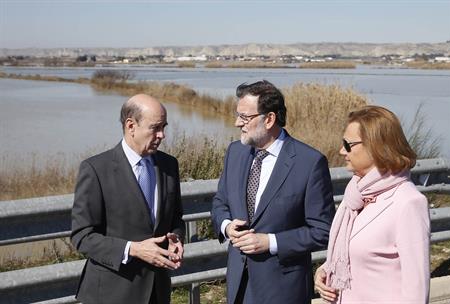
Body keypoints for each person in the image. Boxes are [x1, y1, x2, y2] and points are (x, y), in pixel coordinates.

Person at [211, 80, 335, 304]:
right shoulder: (235, 152)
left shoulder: (309, 163)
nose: (237, 122)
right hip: (238, 284)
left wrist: (271, 242)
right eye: (237, 115)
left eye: (245, 117)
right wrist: (227, 226)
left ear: (269, 119)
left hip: (283, 290)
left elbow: (322, 231)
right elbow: (220, 202)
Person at [71, 94, 185, 304]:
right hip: (111, 294)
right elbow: (82, 236)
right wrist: (133, 249)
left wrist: (176, 238)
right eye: (155, 127)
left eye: (164, 127)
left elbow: (176, 216)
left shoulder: (169, 165)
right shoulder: (96, 169)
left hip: (157, 293)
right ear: (131, 125)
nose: (162, 135)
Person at [314, 105, 430, 303]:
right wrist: (325, 270)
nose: (342, 151)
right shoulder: (355, 194)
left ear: (375, 146)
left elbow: (416, 291)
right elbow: (351, 254)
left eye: (348, 144)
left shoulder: (408, 202)